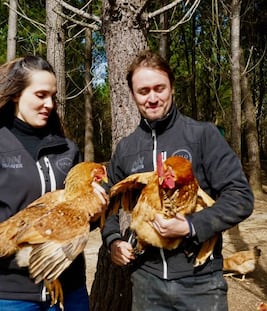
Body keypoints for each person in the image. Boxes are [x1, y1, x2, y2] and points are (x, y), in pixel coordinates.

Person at [0, 55, 106, 311]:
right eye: (40, 95)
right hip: (10, 292)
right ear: (16, 94)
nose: (49, 104)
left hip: (67, 288)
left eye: (53, 96)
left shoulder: (67, 149)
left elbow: (77, 217)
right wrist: (1, 252)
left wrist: (95, 212)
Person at [102, 50, 254, 310]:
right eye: (143, 91)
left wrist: (191, 226)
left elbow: (240, 197)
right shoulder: (126, 148)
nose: (152, 98)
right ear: (132, 95)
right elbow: (108, 201)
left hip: (201, 281)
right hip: (146, 280)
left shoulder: (202, 136)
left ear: (171, 87)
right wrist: (113, 240)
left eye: (159, 88)